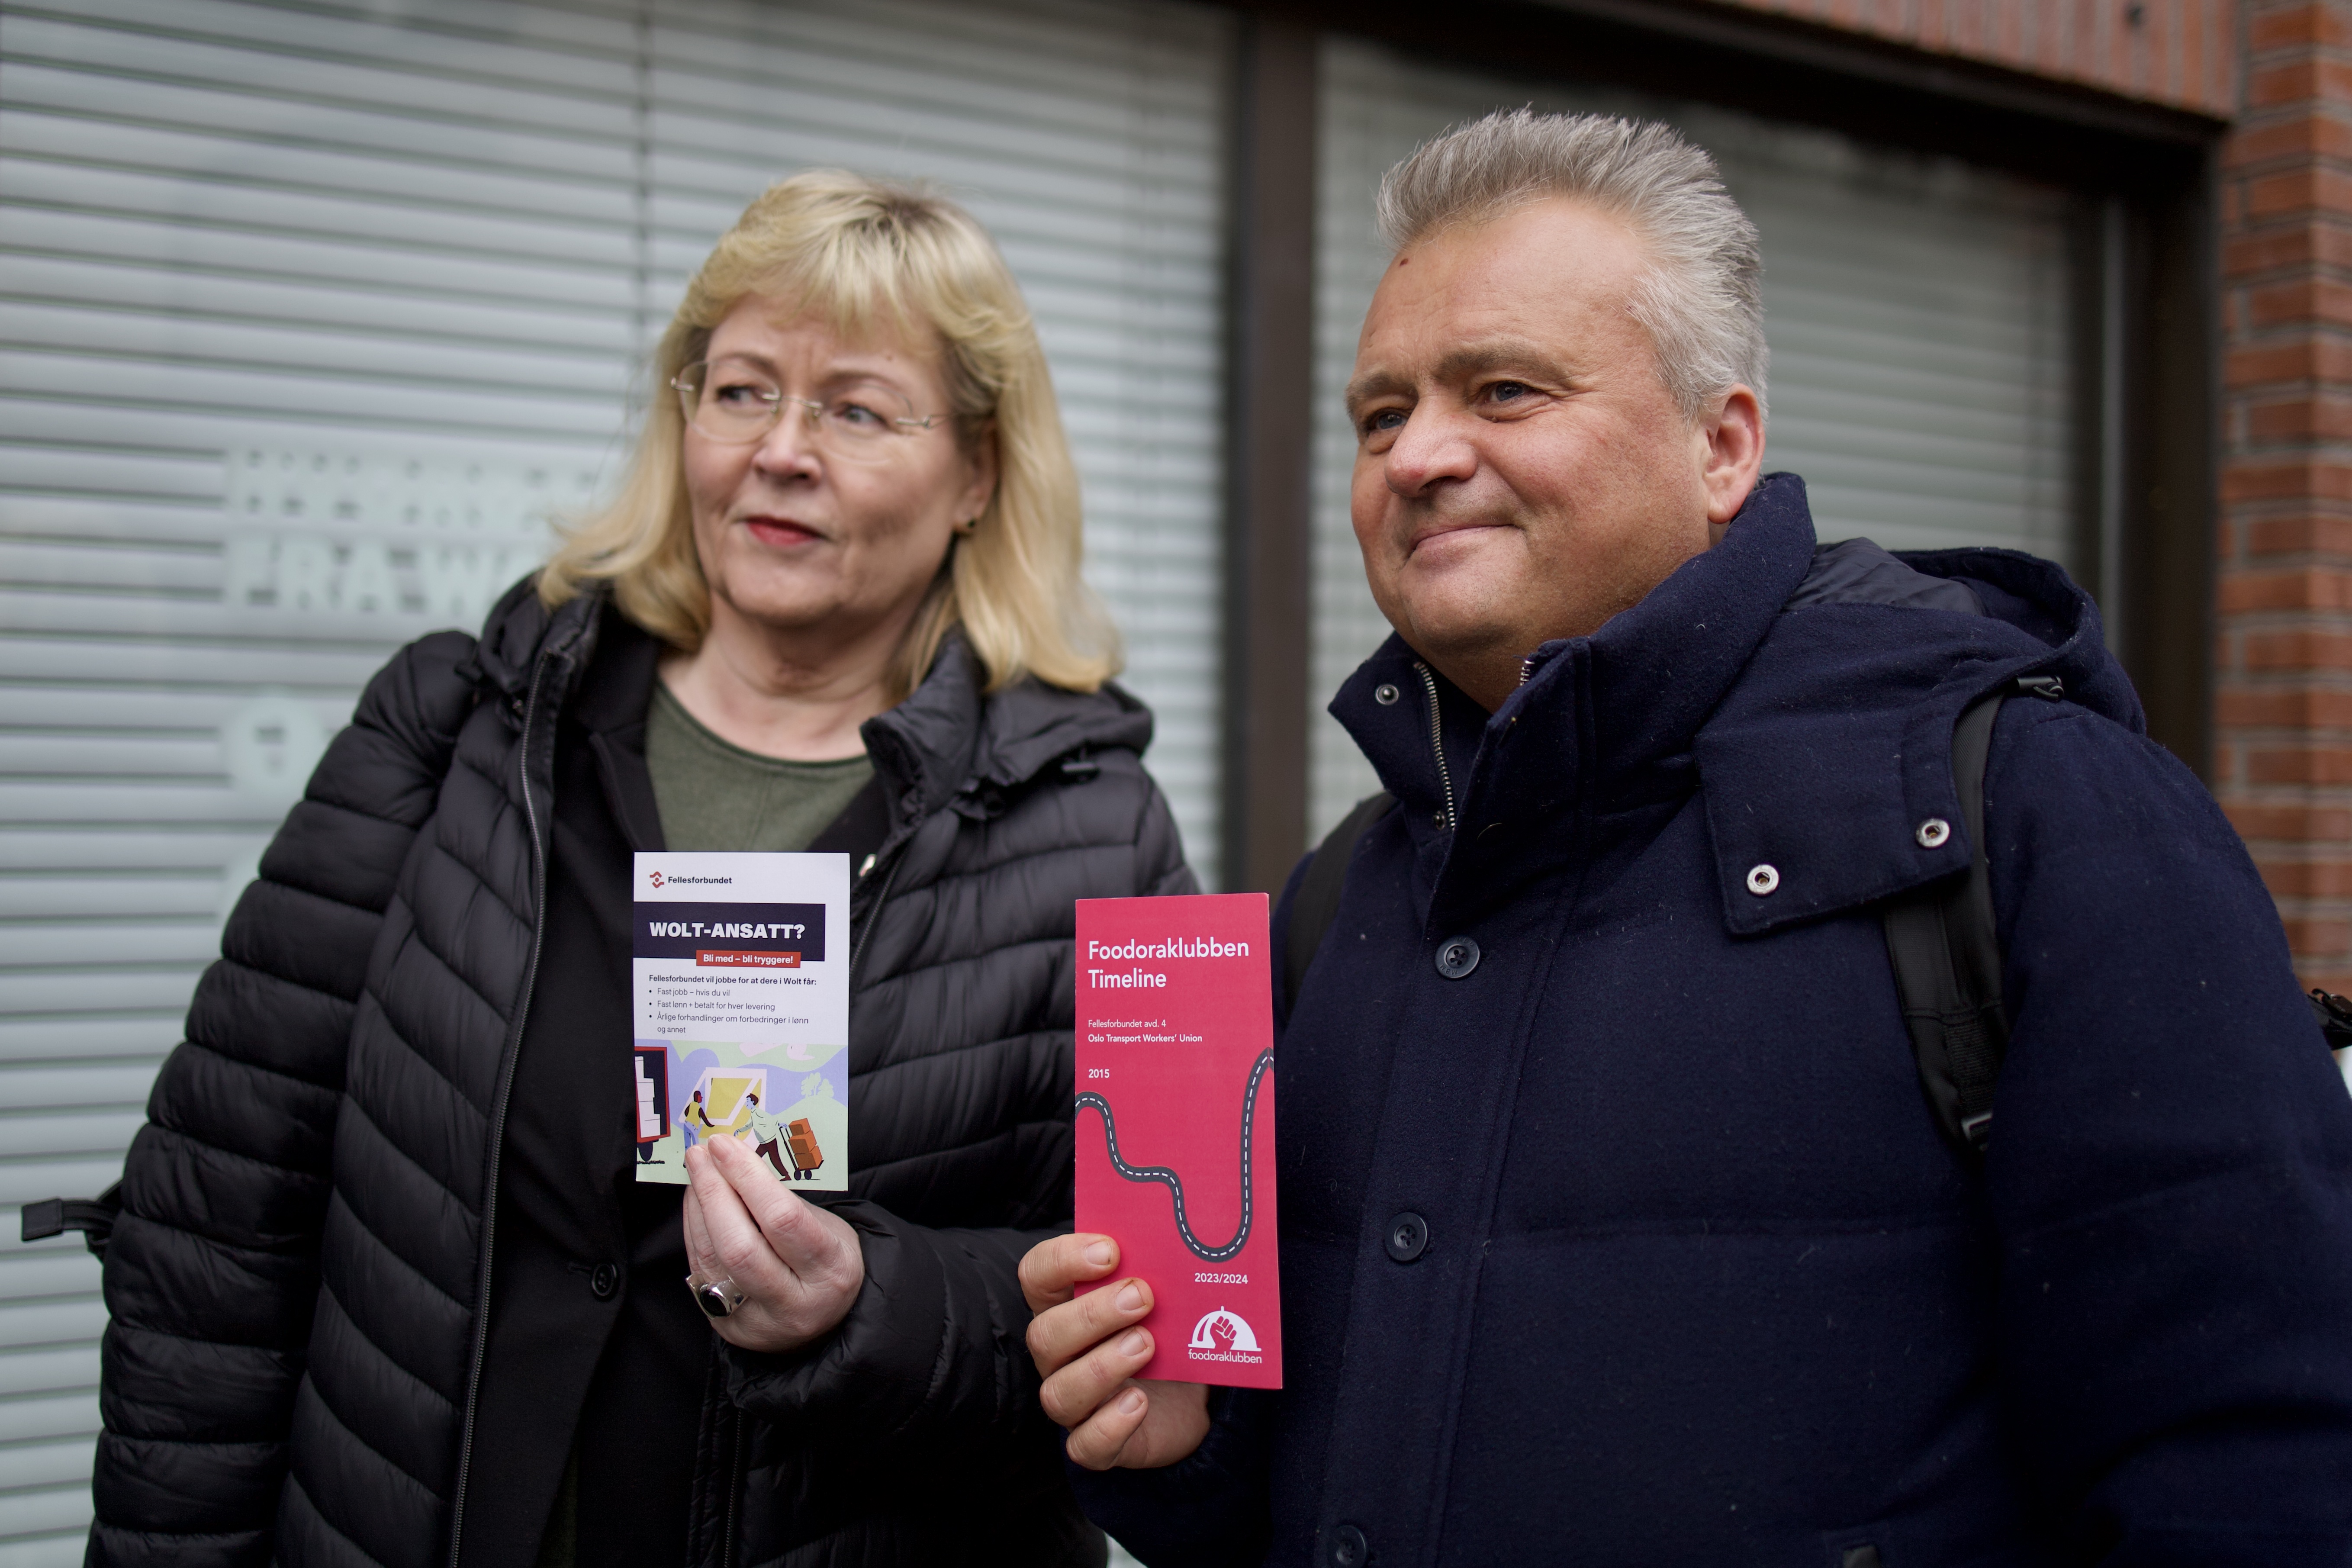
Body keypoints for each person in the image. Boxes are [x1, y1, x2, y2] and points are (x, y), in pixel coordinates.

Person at [1022, 111, 2352, 1565]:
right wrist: (1183, 1452)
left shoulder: (2041, 819)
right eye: (1380, 413)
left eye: (1504, 391)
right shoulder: (1344, 893)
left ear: (1720, 448)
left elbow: (2253, 1464)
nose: (1416, 457)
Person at [89, 171, 1194, 1568]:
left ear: (977, 472)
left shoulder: (1091, 825)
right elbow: (220, 1227)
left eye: (854, 409)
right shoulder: (462, 729)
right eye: (738, 391)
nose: (780, 450)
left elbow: (1151, 1314)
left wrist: (873, 1301)